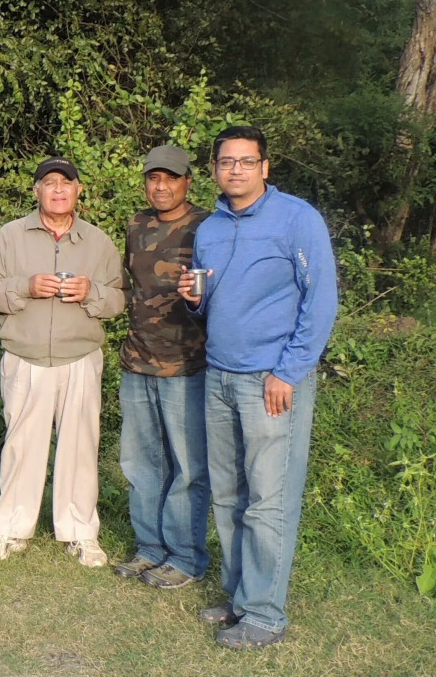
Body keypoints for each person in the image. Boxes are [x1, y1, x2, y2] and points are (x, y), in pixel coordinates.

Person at [177, 125, 337, 649]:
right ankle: (240, 598)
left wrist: (288, 372)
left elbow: (320, 303)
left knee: (269, 500)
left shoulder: (297, 219)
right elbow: (207, 300)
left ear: (265, 167)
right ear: (215, 169)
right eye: (226, 162)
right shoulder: (210, 228)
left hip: (271, 382)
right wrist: (193, 298)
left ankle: (266, 615)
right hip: (218, 373)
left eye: (247, 162)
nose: (236, 170)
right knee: (228, 496)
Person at [0, 157, 125, 567]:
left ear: (78, 191)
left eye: (66, 183)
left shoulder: (98, 242)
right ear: (36, 190)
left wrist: (91, 291)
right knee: (22, 444)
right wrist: (25, 286)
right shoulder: (10, 236)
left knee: (80, 446)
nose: (58, 190)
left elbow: (118, 300)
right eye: (49, 183)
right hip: (25, 356)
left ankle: (80, 532)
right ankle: (10, 530)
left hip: (80, 357)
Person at [113, 144, 211, 589]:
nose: (162, 186)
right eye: (154, 177)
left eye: (171, 177)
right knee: (140, 463)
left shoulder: (208, 226)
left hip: (187, 365)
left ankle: (185, 557)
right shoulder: (136, 223)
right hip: (137, 362)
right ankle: (149, 549)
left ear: (188, 181)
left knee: (186, 468)